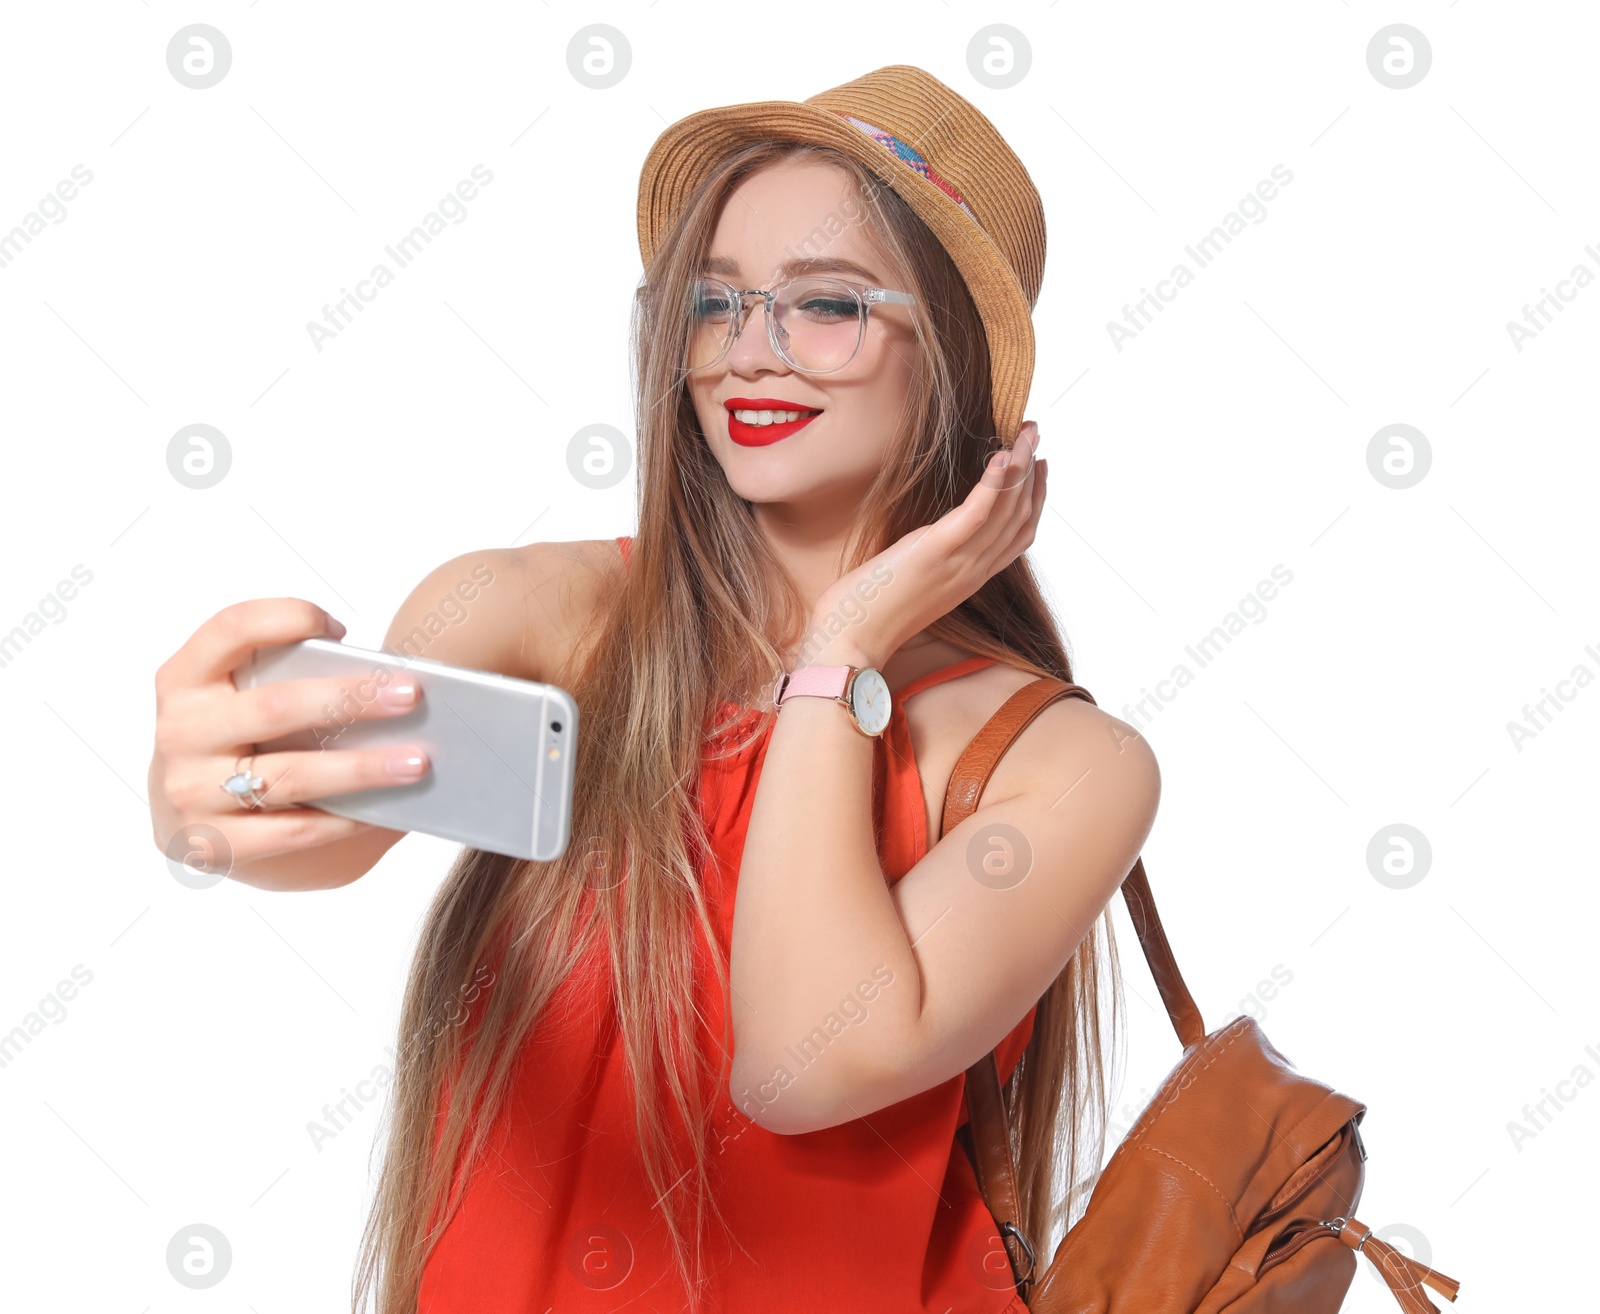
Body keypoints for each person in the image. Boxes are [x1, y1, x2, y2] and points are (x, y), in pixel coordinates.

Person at [148, 65, 1159, 1313]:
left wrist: (837, 653)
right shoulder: (541, 618)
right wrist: (211, 804)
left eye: (825, 304)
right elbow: (337, 821)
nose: (746, 356)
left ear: (953, 349)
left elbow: (800, 1062)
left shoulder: (1061, 763)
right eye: (712, 303)